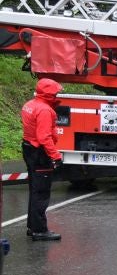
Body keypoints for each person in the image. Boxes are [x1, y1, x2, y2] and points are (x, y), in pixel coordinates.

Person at [21, 78, 64, 241]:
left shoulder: (30, 105)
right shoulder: (45, 111)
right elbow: (44, 137)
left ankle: (32, 227)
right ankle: (39, 230)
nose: (58, 95)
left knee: (34, 189)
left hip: (28, 148)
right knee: (41, 192)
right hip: (39, 153)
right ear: (49, 94)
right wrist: (56, 156)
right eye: (56, 92)